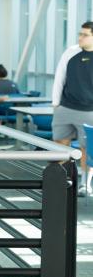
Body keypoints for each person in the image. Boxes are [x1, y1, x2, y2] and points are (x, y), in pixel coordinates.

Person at [52, 21, 93, 195]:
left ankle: (85, 184)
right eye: (80, 34)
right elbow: (59, 76)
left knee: (86, 149)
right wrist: (56, 104)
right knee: (60, 146)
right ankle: (59, 181)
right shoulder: (71, 52)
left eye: (85, 34)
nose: (80, 37)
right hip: (66, 108)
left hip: (89, 111)